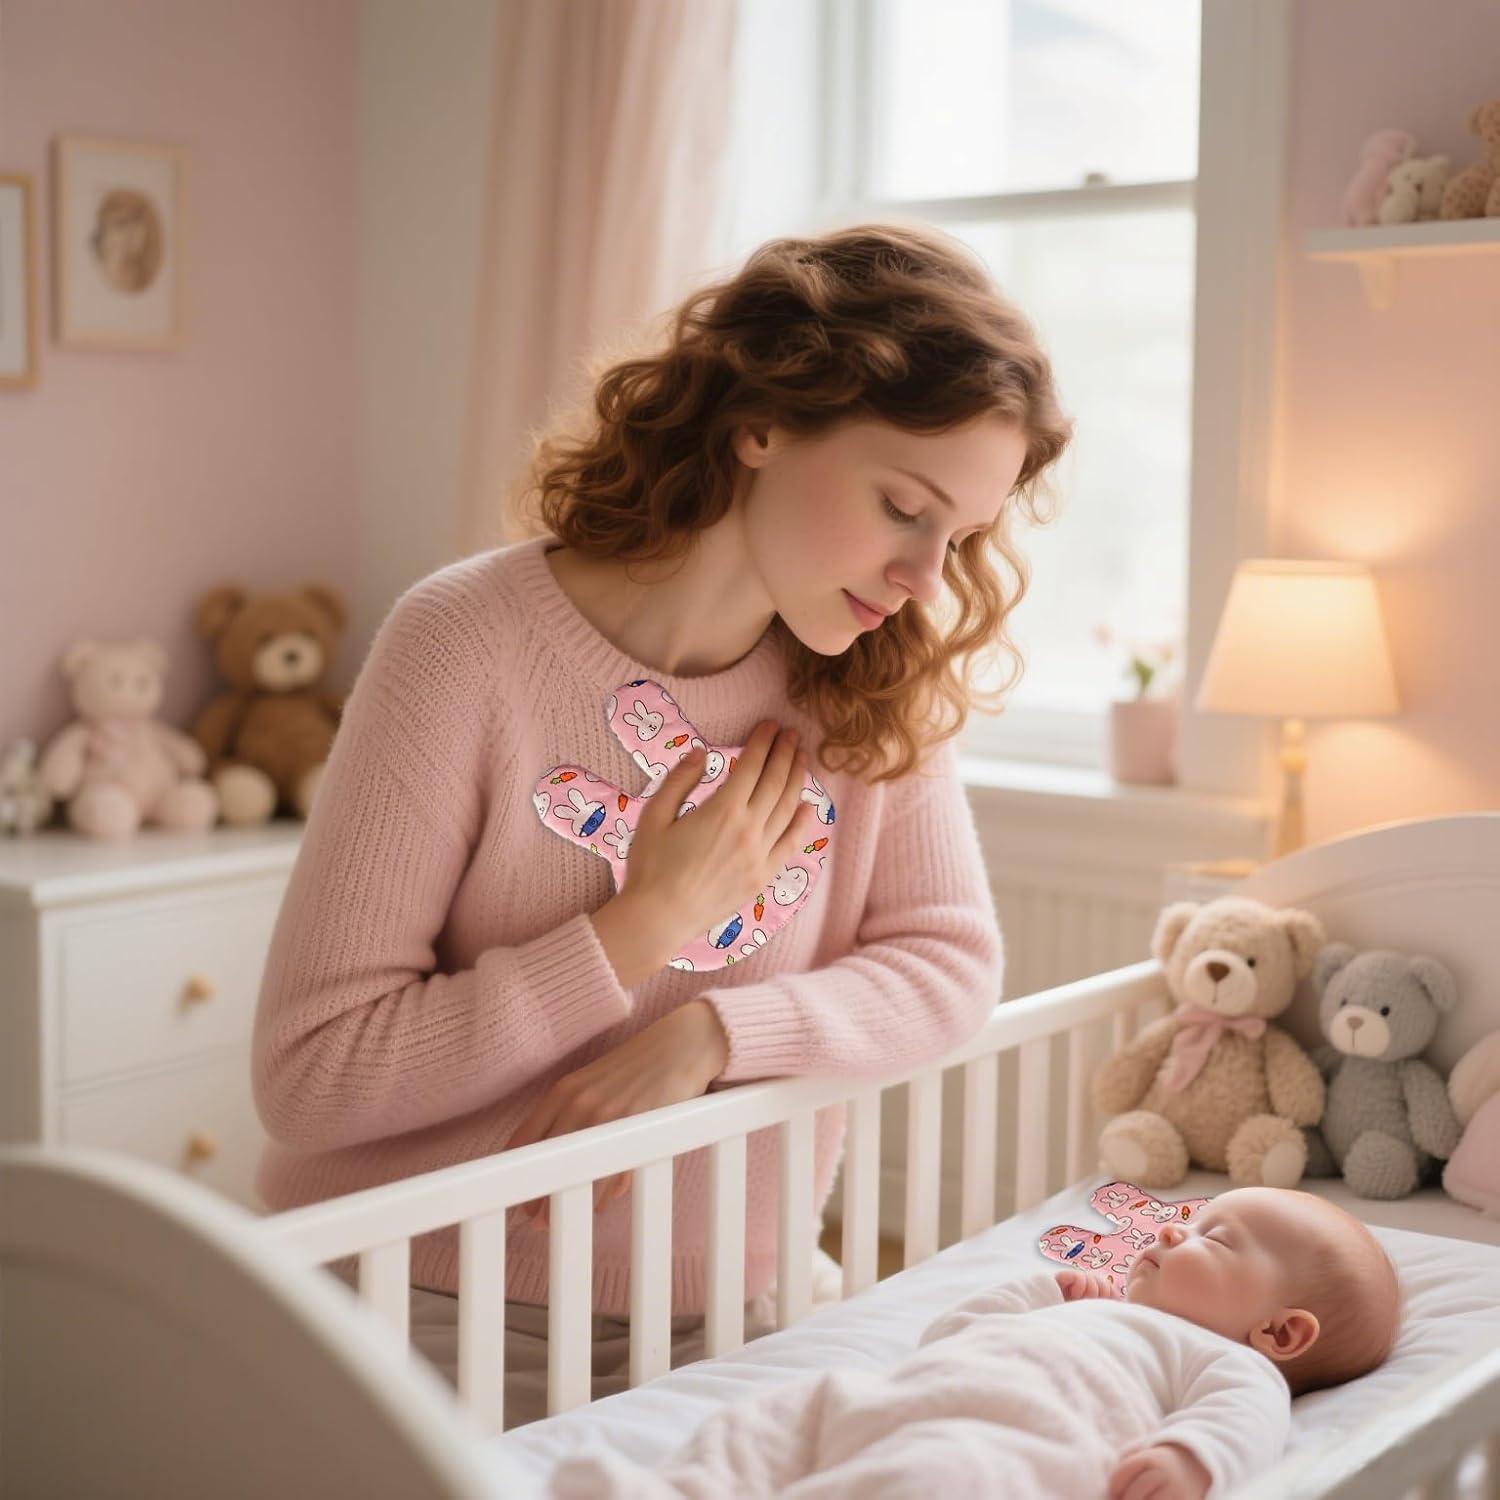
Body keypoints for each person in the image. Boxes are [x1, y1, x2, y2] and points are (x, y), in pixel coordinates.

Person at [250, 221, 1072, 1427]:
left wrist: (713, 1039)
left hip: (741, 1303)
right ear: (761, 425)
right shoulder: (463, 644)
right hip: (427, 1298)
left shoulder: (874, 683)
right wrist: (640, 929)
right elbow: (310, 1076)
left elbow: (951, 967)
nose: (925, 579)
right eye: (904, 507)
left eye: (960, 537)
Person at [548, 1187, 1403, 1499]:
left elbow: (1246, 1418)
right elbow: (946, 1337)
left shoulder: (1228, 1361)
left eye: (1216, 1241)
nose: (1174, 1235)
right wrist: (1038, 1290)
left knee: (934, 1482)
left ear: (1280, 1331)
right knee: (773, 1420)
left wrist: (1189, 1459)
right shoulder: (1083, 1308)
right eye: (1191, 1220)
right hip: (894, 1398)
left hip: (1007, 1439)